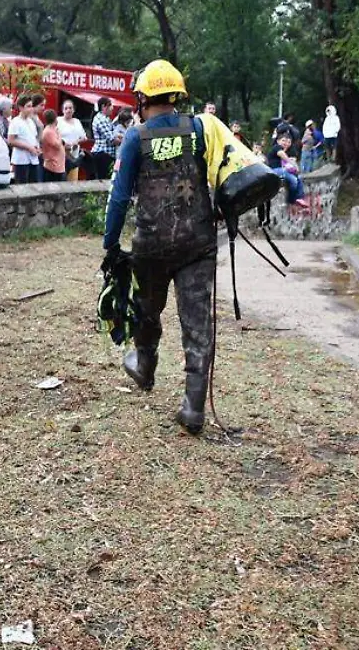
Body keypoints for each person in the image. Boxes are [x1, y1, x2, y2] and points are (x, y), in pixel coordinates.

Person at [102, 59, 232, 436]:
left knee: (147, 311)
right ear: (177, 95)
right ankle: (193, 408)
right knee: (197, 324)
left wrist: (111, 244)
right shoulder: (198, 130)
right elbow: (220, 175)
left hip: (152, 246)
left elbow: (119, 197)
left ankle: (144, 368)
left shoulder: (135, 136)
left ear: (142, 97)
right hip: (197, 244)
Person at [7, 94, 42, 184]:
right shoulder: (15, 122)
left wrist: (37, 148)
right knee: (22, 188)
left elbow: (33, 138)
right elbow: (11, 140)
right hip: (21, 161)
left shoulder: (31, 121)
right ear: (21, 107)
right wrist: (29, 147)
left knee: (34, 187)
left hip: (33, 160)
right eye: (28, 106)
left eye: (31, 106)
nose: (31, 109)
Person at [267, 133, 306, 206]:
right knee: (293, 179)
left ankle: (299, 197)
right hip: (274, 170)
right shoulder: (276, 147)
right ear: (278, 141)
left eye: (288, 142)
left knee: (298, 178)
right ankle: (292, 200)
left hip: (281, 170)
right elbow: (284, 157)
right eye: (283, 141)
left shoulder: (288, 151)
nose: (286, 143)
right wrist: (294, 165)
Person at [57, 100, 87, 181]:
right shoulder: (58, 121)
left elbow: (84, 137)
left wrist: (76, 142)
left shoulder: (77, 121)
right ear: (62, 110)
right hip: (61, 157)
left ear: (73, 110)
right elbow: (53, 137)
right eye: (66, 108)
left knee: (73, 183)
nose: (68, 110)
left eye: (70, 108)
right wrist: (64, 143)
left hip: (74, 157)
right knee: (61, 182)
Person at [90, 97, 116, 180]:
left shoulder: (106, 118)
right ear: (104, 107)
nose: (113, 108)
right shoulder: (101, 119)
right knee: (103, 181)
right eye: (111, 105)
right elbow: (112, 139)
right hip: (103, 155)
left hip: (106, 155)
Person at [40, 108, 66, 182]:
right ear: (55, 118)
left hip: (59, 166)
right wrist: (59, 134)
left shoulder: (53, 129)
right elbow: (57, 145)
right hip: (53, 166)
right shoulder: (48, 131)